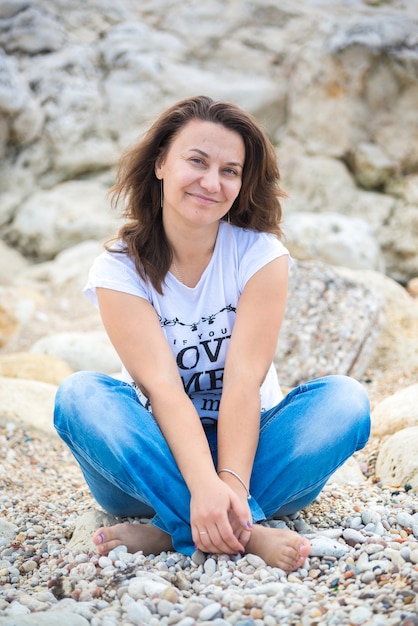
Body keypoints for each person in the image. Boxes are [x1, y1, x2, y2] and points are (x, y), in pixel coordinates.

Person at [53, 95, 370, 573]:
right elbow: (163, 389)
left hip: (255, 453)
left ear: (242, 184)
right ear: (161, 163)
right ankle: (239, 528)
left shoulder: (261, 256)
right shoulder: (118, 269)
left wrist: (228, 485)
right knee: (79, 395)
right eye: (196, 161)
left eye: (229, 170)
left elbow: (244, 383)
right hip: (147, 455)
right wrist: (201, 485)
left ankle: (169, 529)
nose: (211, 182)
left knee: (346, 402)